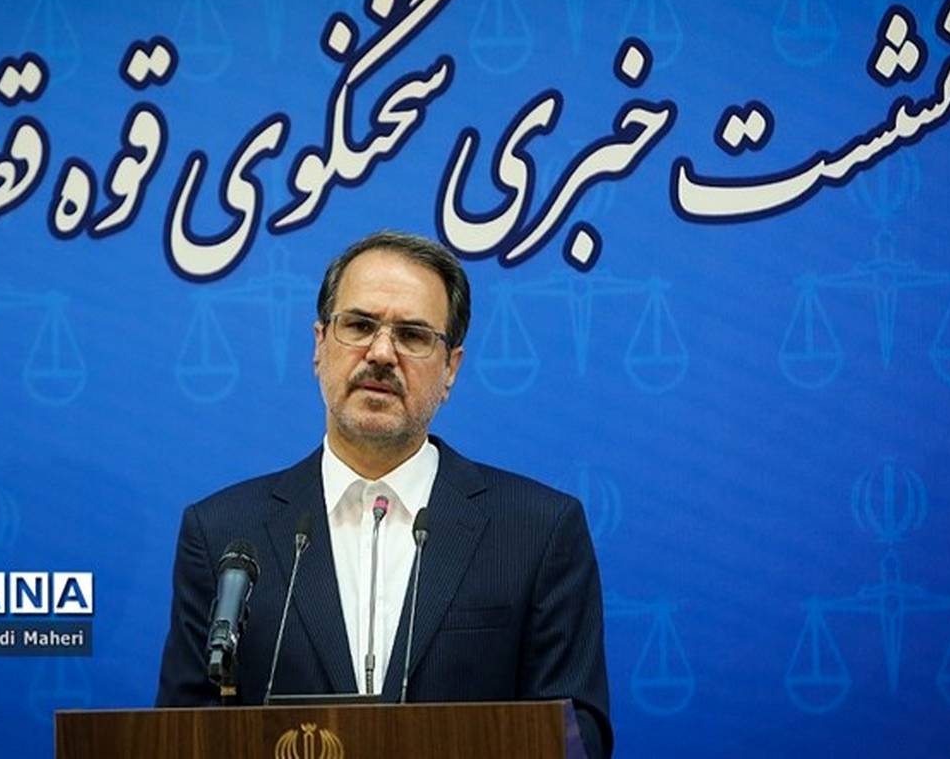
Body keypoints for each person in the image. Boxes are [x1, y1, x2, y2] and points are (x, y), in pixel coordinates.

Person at [156, 230, 613, 757]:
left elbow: (577, 735)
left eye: (413, 335)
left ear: (451, 369)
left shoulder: (538, 530)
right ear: (319, 345)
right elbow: (183, 734)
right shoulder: (223, 534)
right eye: (358, 325)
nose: (380, 353)